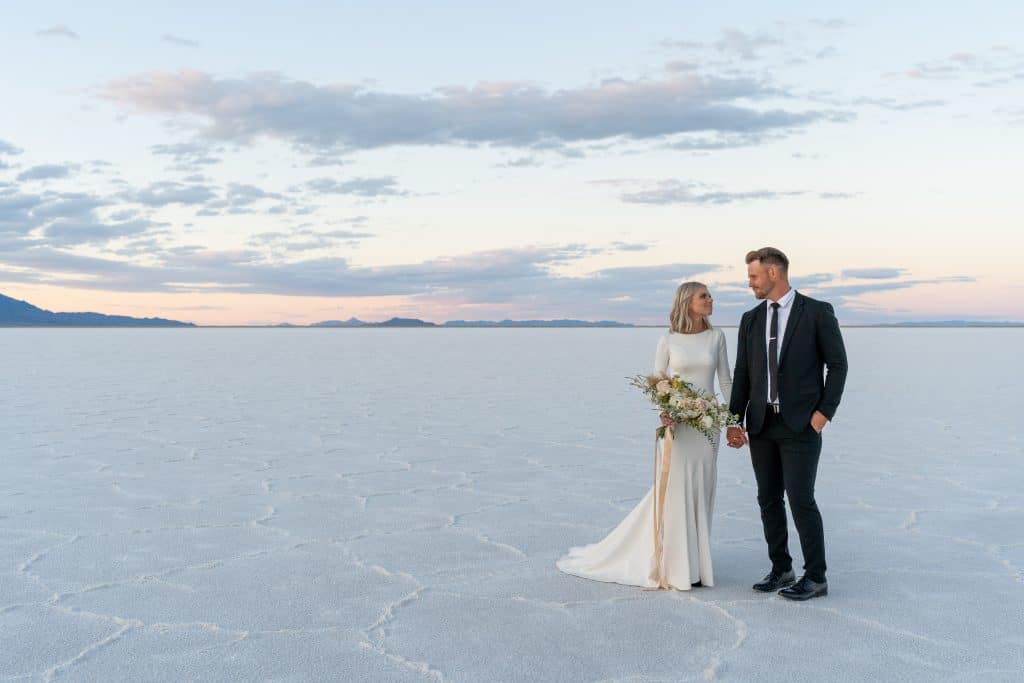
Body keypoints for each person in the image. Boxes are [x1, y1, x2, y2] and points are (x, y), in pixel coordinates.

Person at [557, 282, 732, 590]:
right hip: (677, 427)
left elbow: (725, 381)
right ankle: (675, 567)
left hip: (707, 426)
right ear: (687, 302)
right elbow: (658, 383)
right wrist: (665, 410)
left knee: (701, 489)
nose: (710, 300)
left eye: (709, 295)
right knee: (674, 490)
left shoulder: (717, 337)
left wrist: (730, 419)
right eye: (704, 296)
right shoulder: (667, 340)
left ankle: (697, 566)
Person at [726, 247, 848, 601]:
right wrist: (735, 421)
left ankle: (816, 576)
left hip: (801, 425)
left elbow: (837, 366)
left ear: (774, 274)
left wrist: (823, 413)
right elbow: (743, 373)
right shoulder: (750, 319)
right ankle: (782, 568)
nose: (750, 283)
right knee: (768, 499)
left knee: (800, 499)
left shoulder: (817, 313)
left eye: (754, 276)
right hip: (762, 424)